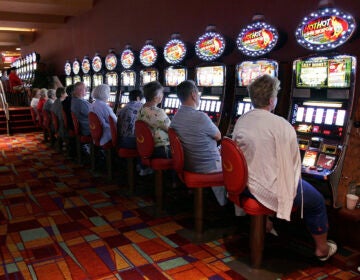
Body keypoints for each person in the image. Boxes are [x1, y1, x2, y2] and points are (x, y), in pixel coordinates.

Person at [232, 74, 337, 261]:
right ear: (272, 100)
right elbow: (291, 166)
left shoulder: (242, 120)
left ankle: (266, 224)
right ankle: (322, 249)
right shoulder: (281, 125)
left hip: (243, 184)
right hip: (264, 189)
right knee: (318, 201)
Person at [170, 80, 226, 206]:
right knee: (240, 163)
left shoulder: (175, 118)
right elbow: (218, 136)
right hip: (207, 167)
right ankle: (227, 206)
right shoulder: (201, 117)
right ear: (194, 95)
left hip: (188, 164)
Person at [137, 81, 171, 158]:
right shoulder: (158, 112)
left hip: (145, 147)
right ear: (156, 98)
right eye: (161, 93)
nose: (163, 94)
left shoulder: (141, 109)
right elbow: (171, 130)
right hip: (160, 150)